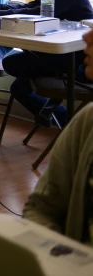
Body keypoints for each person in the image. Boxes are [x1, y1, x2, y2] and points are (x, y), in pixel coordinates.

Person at [23, 99, 93, 244]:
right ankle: (55, 113)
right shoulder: (88, 120)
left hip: (69, 78)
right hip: (72, 263)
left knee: (19, 85)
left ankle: (54, 113)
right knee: (18, 86)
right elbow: (41, 210)